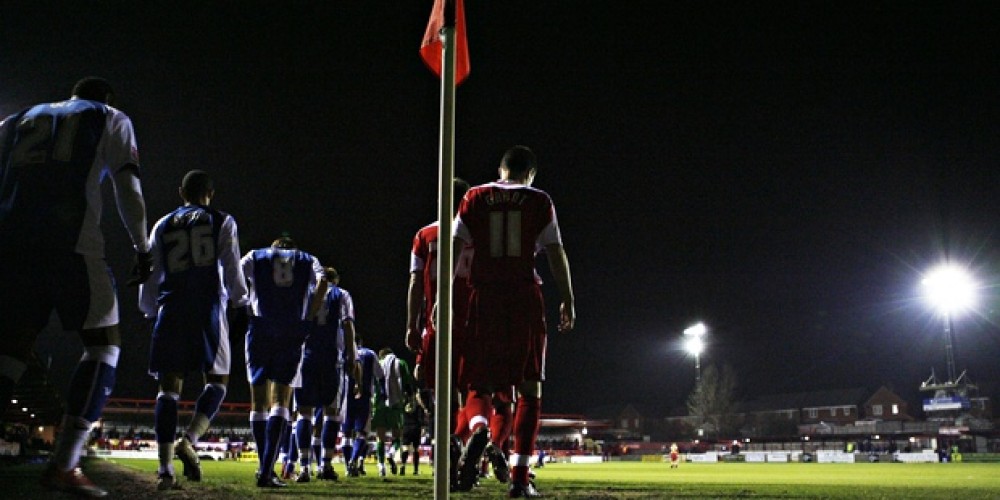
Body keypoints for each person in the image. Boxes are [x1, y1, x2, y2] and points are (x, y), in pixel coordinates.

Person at [0, 77, 151, 498]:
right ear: (107, 98)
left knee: (9, 353)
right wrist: (142, 247)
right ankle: (65, 464)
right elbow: (128, 185)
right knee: (104, 344)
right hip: (70, 244)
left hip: (11, 249)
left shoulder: (15, 120)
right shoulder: (110, 117)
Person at [452, 145, 575, 498]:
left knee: (479, 384)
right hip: (523, 296)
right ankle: (520, 480)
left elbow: (455, 247)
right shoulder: (539, 200)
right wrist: (567, 297)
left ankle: (479, 430)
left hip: (484, 297)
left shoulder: (474, 196)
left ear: (500, 169)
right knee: (529, 387)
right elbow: (555, 250)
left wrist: (445, 296)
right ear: (530, 174)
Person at [138, 170, 249, 490]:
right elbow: (231, 268)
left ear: (180, 192)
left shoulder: (162, 224)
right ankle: (188, 440)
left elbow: (151, 273)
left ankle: (164, 470)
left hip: (171, 308)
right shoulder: (222, 221)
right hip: (207, 309)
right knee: (218, 381)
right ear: (210, 193)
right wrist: (241, 302)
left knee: (168, 388)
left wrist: (149, 309)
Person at [241, 236, 326, 488]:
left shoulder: (255, 255)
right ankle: (267, 470)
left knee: (258, 401)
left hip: (260, 327)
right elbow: (323, 281)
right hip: (291, 329)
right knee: (281, 400)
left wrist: (244, 305)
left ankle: (262, 466)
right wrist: (309, 316)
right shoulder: (307, 259)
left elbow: (232, 274)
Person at [292, 266, 357, 482]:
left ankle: (303, 467)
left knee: (304, 414)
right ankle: (325, 465)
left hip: (306, 357)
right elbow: (348, 326)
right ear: (335, 280)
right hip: (331, 359)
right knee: (332, 412)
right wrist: (351, 356)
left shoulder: (307, 291)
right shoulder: (342, 294)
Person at [340, 335, 383, 477]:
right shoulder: (370, 354)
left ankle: (347, 465)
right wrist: (383, 393)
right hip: (364, 395)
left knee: (346, 433)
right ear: (362, 342)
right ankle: (353, 461)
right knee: (362, 432)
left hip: (347, 396)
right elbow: (380, 375)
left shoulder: (345, 352)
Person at [371, 347, 416, 478]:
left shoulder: (379, 364)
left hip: (379, 403)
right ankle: (391, 453)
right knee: (397, 436)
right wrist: (411, 398)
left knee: (380, 437)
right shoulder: (401, 363)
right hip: (396, 403)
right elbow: (407, 382)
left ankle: (381, 466)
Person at [400, 388, 430, 475]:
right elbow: (421, 418)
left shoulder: (404, 405)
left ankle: (403, 466)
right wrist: (423, 427)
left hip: (406, 427)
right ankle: (415, 470)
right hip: (416, 428)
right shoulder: (418, 406)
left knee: (405, 448)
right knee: (416, 449)